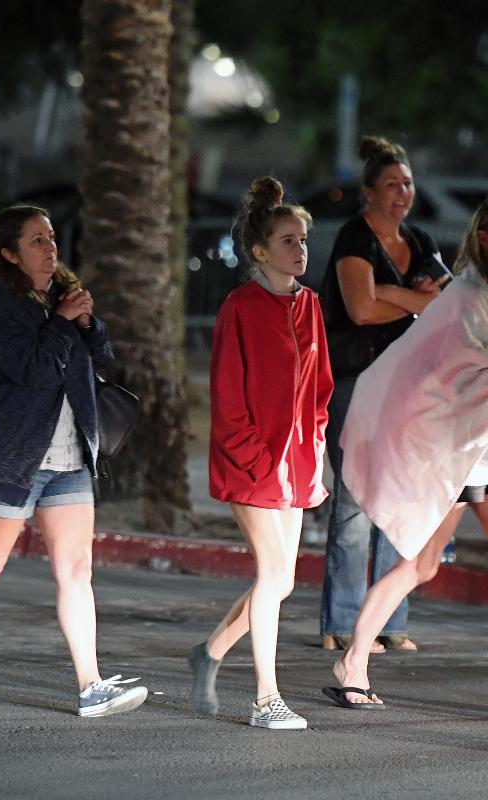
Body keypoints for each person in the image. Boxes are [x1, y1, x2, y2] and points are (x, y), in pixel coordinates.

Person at [322, 195, 488, 717]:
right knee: (421, 563)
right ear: (484, 237)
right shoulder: (465, 296)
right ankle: (352, 661)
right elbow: (452, 380)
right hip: (459, 451)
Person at [0, 205, 148, 717]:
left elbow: (100, 359)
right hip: (12, 457)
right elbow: (32, 369)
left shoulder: (59, 298)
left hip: (70, 456)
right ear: (9, 253)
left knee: (76, 570)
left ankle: (91, 685)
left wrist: (87, 324)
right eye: (36, 241)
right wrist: (62, 322)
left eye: (51, 237)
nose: (50, 247)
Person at [187, 177, 333, 730]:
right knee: (273, 577)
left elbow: (320, 387)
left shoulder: (311, 305)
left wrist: (314, 443)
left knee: (283, 580)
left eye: (303, 240)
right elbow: (227, 397)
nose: (301, 249)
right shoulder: (240, 308)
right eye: (290, 240)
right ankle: (266, 697)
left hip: (296, 465)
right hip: (249, 464)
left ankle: (210, 652)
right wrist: (256, 456)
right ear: (260, 250)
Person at [318, 135, 449, 653]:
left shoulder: (418, 241)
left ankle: (390, 622)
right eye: (391, 184)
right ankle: (342, 622)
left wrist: (393, 293)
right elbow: (361, 311)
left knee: (401, 498)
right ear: (369, 192)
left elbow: (444, 301)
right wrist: (411, 300)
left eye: (408, 184)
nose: (402, 193)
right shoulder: (356, 237)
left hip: (406, 384)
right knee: (353, 501)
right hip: (356, 379)